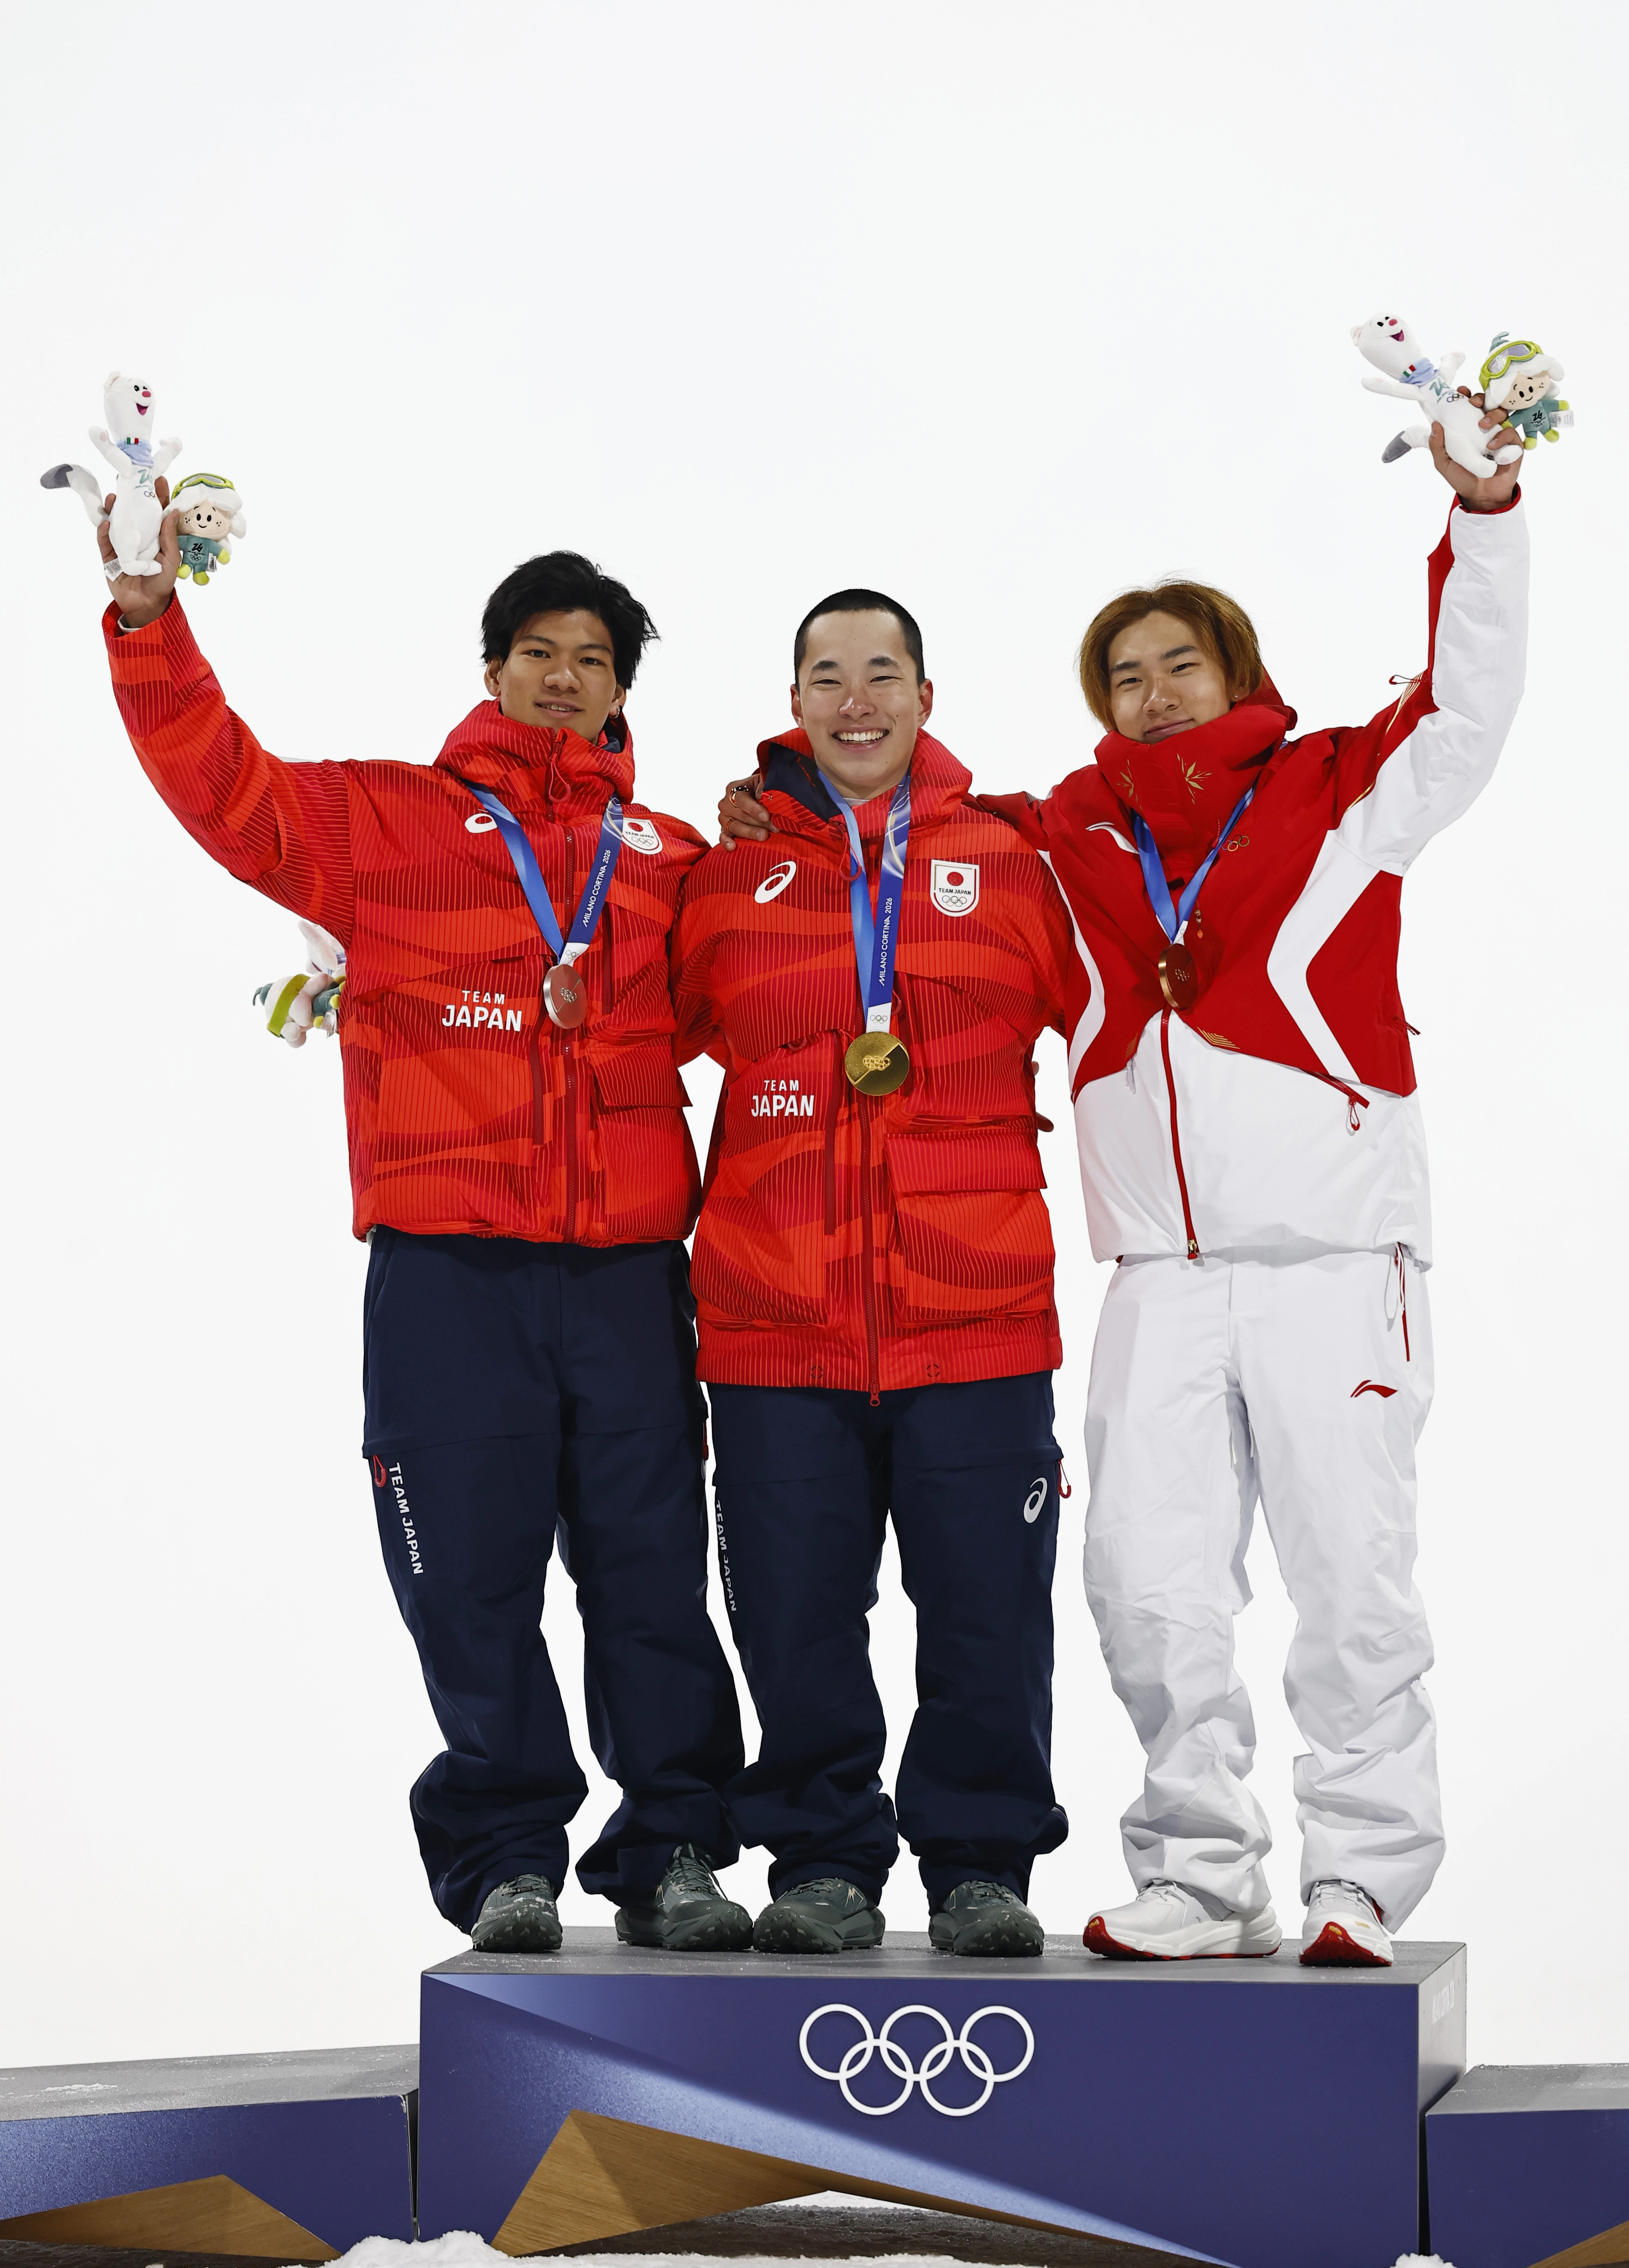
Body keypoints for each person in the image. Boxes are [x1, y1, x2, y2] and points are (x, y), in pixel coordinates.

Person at [718, 408, 1528, 1967]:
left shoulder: (1339, 790)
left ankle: (1357, 1877)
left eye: (1182, 667)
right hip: (1158, 1276)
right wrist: (774, 796)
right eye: (1127, 677)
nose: (1156, 696)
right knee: (1151, 1591)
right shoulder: (1066, 830)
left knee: (1350, 1583)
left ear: (1237, 673)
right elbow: (889, 823)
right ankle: (1204, 1873)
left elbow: (1470, 704)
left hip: (1333, 1258)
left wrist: (1483, 517)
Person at [94, 504, 751, 1956]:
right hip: (449, 1268)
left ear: (626, 686)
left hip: (631, 1272)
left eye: (593, 657)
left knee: (650, 1574)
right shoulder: (386, 822)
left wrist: (780, 818)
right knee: (466, 1576)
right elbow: (227, 788)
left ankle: (676, 1852)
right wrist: (151, 623)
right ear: (493, 667)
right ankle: (509, 1852)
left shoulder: (669, 857)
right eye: (538, 652)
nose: (565, 678)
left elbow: (761, 981)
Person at [673, 590, 1078, 1958]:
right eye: (828, 676)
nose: (857, 700)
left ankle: (980, 1863)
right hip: (774, 1319)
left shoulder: (1014, 863)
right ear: (793, 706)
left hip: (976, 1313)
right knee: (794, 1616)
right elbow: (614, 1022)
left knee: (986, 1611)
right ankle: (823, 1860)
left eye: (882, 673)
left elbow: (1130, 1007)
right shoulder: (722, 880)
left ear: (925, 693)